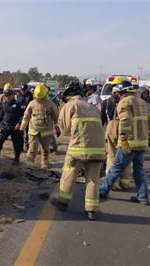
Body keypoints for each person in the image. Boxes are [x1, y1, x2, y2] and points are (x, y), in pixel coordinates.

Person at [49, 80, 105, 221]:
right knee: (93, 180)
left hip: (79, 148)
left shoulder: (71, 105)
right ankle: (91, 210)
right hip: (98, 149)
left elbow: (65, 128)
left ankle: (62, 202)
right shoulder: (92, 107)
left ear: (68, 95)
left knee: (69, 173)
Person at [99, 80, 150, 205]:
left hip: (129, 143)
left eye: (119, 92)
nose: (118, 95)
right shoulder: (142, 103)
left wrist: (123, 138)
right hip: (142, 143)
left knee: (116, 168)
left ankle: (102, 191)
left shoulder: (124, 102)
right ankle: (143, 197)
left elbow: (125, 121)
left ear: (123, 92)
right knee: (139, 170)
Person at [20, 84, 59, 170]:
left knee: (45, 149)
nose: (40, 99)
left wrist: (57, 128)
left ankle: (45, 162)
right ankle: (29, 164)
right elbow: (26, 117)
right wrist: (22, 128)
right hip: (33, 131)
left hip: (46, 131)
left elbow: (55, 117)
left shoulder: (50, 104)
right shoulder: (32, 104)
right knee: (32, 149)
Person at [100, 83, 132, 190]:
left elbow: (102, 120)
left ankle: (111, 182)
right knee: (126, 156)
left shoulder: (106, 102)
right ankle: (125, 182)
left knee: (111, 155)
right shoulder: (128, 102)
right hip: (125, 128)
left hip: (111, 127)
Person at [0, 89, 24, 165]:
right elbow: (1, 114)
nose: (7, 97)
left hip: (15, 127)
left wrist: (19, 123)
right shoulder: (4, 104)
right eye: (6, 96)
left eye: (9, 96)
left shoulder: (18, 104)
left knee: (17, 144)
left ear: (12, 96)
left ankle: (16, 160)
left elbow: (22, 115)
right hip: (5, 126)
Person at [16, 84, 34, 150]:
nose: (23, 91)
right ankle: (20, 147)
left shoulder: (30, 95)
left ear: (27, 89)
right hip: (20, 116)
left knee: (28, 133)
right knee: (20, 133)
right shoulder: (18, 95)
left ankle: (28, 146)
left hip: (28, 117)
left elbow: (30, 105)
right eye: (22, 90)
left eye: (24, 90)